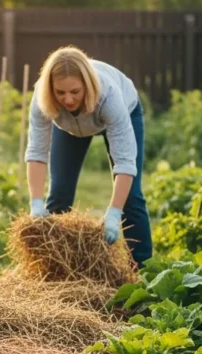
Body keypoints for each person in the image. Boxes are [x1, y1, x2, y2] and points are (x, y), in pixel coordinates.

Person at [25, 45, 152, 268]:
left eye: (75, 91)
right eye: (60, 92)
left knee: (131, 198)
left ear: (87, 85)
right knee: (58, 196)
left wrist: (113, 214)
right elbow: (36, 152)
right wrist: (35, 203)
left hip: (124, 111)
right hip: (69, 128)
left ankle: (142, 272)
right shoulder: (42, 98)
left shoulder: (109, 96)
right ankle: (54, 269)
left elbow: (124, 162)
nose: (68, 100)